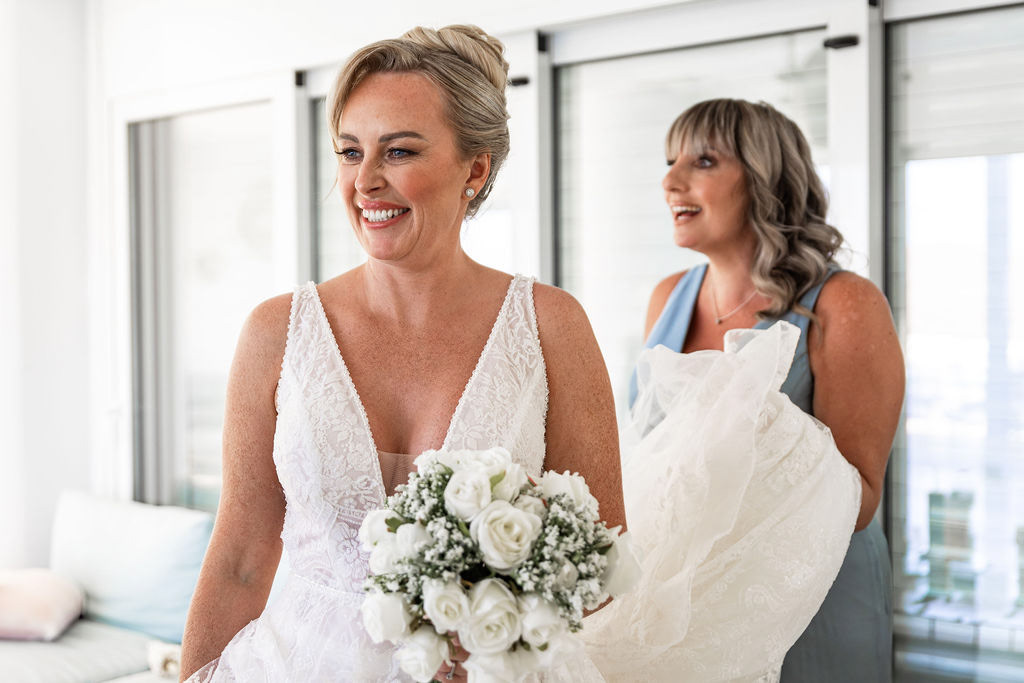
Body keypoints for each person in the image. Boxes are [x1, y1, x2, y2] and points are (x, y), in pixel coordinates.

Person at [178, 25, 625, 683]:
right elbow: (240, 561)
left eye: (399, 151)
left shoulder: (550, 326)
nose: (365, 181)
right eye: (350, 152)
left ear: (475, 169)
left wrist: (491, 636)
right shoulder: (276, 333)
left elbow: (601, 556)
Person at [616, 98, 904, 681]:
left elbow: (860, 497)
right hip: (689, 605)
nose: (671, 181)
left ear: (765, 178)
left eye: (702, 161)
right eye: (671, 162)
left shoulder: (844, 304)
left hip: (810, 602)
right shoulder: (667, 297)